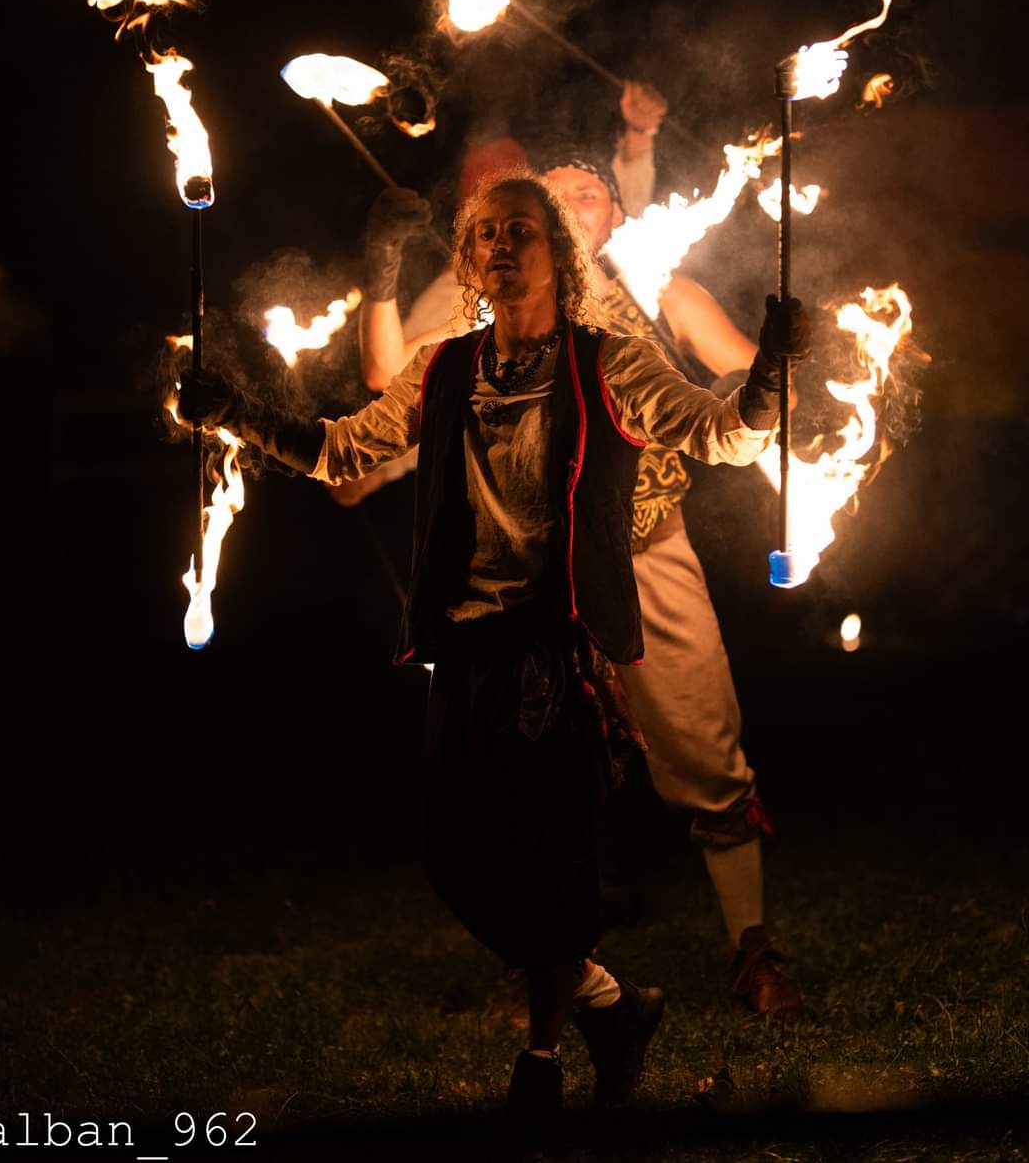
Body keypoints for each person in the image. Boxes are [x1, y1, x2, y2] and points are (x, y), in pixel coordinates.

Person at [178, 174, 808, 1114]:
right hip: (468, 641)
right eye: (484, 234)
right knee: (456, 859)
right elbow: (340, 452)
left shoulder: (613, 361)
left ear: (560, 252)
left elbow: (725, 438)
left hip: (560, 642)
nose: (502, 245)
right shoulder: (442, 366)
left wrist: (767, 381)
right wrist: (234, 411)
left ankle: (543, 1066)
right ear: (469, 260)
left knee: (551, 854)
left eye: (523, 230)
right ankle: (610, 1001)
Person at [356, 147, 804, 1018]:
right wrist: (379, 276)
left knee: (707, 750)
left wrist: (789, 369)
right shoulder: (488, 311)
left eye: (587, 191)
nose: (569, 206)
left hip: (648, 552)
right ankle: (559, 971)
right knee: (531, 770)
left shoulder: (661, 294)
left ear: (612, 217)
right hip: (535, 576)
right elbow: (388, 379)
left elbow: (746, 375)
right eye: (550, 199)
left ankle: (752, 950)